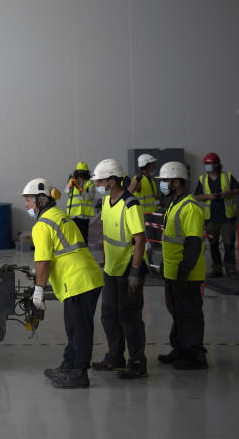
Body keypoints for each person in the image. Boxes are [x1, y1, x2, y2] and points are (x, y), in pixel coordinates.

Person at [23, 177, 104, 389]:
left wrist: (39, 290)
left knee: (79, 329)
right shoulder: (60, 215)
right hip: (88, 277)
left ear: (40, 201)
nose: (26, 205)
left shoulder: (41, 225)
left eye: (29, 201)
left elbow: (43, 261)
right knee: (74, 327)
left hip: (78, 281)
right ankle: (68, 366)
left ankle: (79, 374)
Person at [91, 158, 148, 379]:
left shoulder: (131, 204)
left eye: (101, 181)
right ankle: (115, 357)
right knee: (108, 315)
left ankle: (137, 362)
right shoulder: (107, 203)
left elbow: (140, 239)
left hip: (127, 271)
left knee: (129, 317)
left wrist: (135, 272)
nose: (98, 184)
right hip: (111, 269)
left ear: (112, 181)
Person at [157, 161, 208, 369]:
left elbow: (193, 242)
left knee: (190, 315)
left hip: (186, 274)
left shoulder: (190, 208)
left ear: (177, 182)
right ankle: (180, 350)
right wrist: (165, 264)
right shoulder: (174, 204)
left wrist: (184, 270)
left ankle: (195, 356)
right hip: (172, 271)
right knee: (177, 313)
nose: (163, 185)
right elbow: (171, 240)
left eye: (165, 181)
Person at [194, 152, 239, 278]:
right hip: (211, 219)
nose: (207, 166)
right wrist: (209, 197)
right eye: (206, 164)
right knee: (213, 244)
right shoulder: (203, 179)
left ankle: (230, 268)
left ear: (216, 164)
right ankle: (217, 269)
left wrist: (228, 193)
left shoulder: (227, 177)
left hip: (227, 217)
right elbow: (198, 196)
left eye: (209, 164)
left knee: (229, 244)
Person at [64, 161, 95, 242]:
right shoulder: (72, 181)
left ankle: (84, 253)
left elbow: (90, 197)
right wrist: (70, 186)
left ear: (86, 173)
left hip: (84, 215)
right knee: (73, 238)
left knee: (83, 238)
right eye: (79, 172)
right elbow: (67, 192)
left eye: (82, 172)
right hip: (73, 214)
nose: (81, 174)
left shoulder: (90, 183)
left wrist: (81, 189)